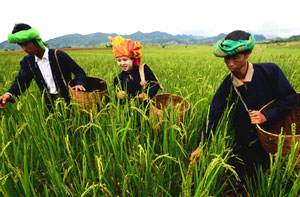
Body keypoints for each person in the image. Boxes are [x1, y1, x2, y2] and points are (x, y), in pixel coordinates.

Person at [190, 30, 297, 182]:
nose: (230, 63)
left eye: (236, 57)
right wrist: (203, 144)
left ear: (248, 54)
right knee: (246, 179)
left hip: (273, 140)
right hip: (244, 145)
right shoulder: (228, 84)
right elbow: (213, 113)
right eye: (227, 58)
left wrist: (266, 116)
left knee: (274, 178)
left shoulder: (270, 71)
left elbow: (289, 98)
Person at [0, 23, 87, 110]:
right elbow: (22, 81)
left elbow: (79, 71)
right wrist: (9, 94)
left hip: (69, 100)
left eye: (25, 44)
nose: (24, 49)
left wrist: (79, 84)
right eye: (21, 45)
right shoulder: (28, 62)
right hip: (50, 103)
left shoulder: (58, 55)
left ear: (35, 40)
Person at [109, 36, 161, 101]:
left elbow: (155, 84)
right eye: (119, 60)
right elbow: (117, 100)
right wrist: (119, 96)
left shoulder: (144, 70)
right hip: (128, 110)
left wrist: (147, 94)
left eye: (125, 60)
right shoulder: (118, 79)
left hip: (146, 108)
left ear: (132, 59)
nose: (122, 63)